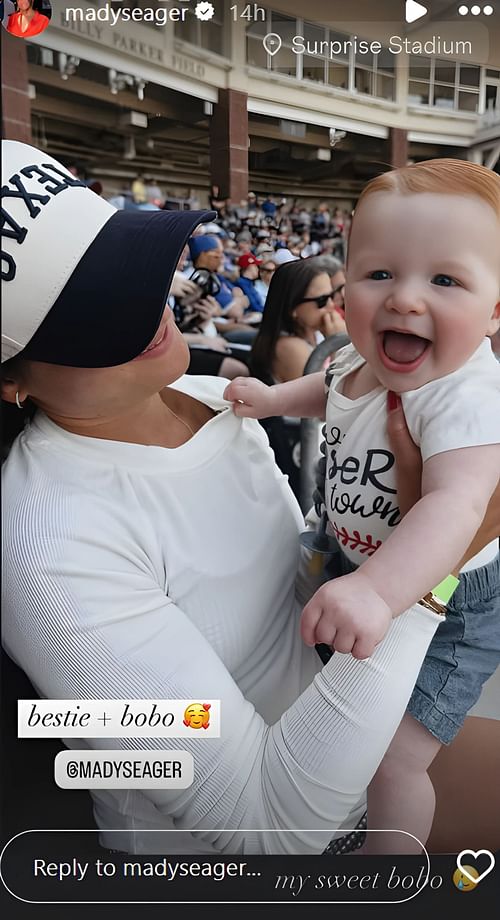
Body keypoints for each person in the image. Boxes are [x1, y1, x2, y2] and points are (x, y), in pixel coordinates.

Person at [2, 140, 448, 857]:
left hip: (360, 733)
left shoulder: (216, 398)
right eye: (88, 309)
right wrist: (434, 566)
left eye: (129, 266)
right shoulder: (46, 544)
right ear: (10, 379)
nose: (142, 305)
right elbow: (268, 830)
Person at [224, 159, 500, 854]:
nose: (404, 299)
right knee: (346, 722)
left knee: (393, 758)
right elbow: (331, 393)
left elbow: (459, 504)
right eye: (380, 273)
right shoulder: (360, 359)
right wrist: (272, 400)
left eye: (445, 279)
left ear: (495, 308)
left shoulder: (466, 396)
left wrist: (379, 591)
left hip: (449, 594)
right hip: (359, 563)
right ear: (346, 287)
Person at [250, 258, 347, 387]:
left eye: (331, 296)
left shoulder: (315, 332)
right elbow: (327, 398)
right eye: (322, 300)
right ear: (292, 307)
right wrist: (337, 344)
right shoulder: (290, 348)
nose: (331, 305)